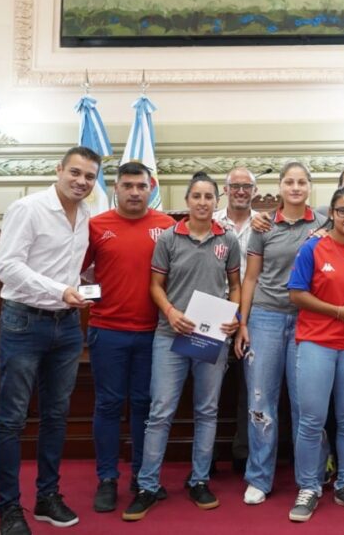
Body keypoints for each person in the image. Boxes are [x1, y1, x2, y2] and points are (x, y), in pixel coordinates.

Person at [0, 146, 101, 535]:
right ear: (58, 170)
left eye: (89, 177)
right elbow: (6, 267)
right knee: (12, 419)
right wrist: (59, 289)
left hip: (68, 327)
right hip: (24, 323)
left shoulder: (87, 214)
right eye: (75, 173)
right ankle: (8, 508)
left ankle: (47, 496)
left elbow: (73, 268)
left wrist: (85, 287)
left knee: (56, 416)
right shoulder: (28, 208)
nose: (81, 182)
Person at [123, 172, 242, 521]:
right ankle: (147, 485)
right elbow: (155, 285)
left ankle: (199, 479)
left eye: (209, 197)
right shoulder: (168, 238)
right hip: (170, 332)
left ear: (216, 202)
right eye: (197, 196)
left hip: (211, 335)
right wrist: (171, 312)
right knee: (161, 411)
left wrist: (234, 314)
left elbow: (235, 284)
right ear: (188, 201)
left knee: (207, 410)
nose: (203, 202)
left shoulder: (229, 240)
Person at [234, 162, 329, 505]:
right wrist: (242, 323)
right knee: (261, 402)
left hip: (309, 319)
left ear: (309, 187)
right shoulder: (263, 224)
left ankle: (313, 477)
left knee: (308, 404)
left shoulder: (323, 223)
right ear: (280, 186)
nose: (295, 187)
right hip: (266, 317)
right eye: (289, 181)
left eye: (302, 182)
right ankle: (259, 476)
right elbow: (250, 278)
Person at [84, 162, 175, 513]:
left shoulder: (166, 226)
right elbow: (76, 270)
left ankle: (142, 476)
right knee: (107, 405)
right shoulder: (96, 226)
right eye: (127, 185)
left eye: (141, 185)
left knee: (144, 406)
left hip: (154, 333)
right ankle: (107, 478)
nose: (135, 192)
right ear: (116, 188)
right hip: (107, 330)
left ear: (151, 187)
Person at [286, 187, 344, 522]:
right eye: (343, 211)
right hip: (316, 342)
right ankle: (308, 487)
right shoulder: (312, 247)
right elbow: (296, 294)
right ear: (332, 213)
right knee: (311, 420)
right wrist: (338, 311)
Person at [213, 167, 259, 473]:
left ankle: (243, 451)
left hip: (253, 310)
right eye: (235, 186)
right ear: (226, 190)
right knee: (207, 385)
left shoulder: (264, 224)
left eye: (247, 186)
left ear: (254, 191)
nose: (241, 191)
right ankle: (207, 453)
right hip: (212, 308)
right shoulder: (210, 220)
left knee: (249, 385)